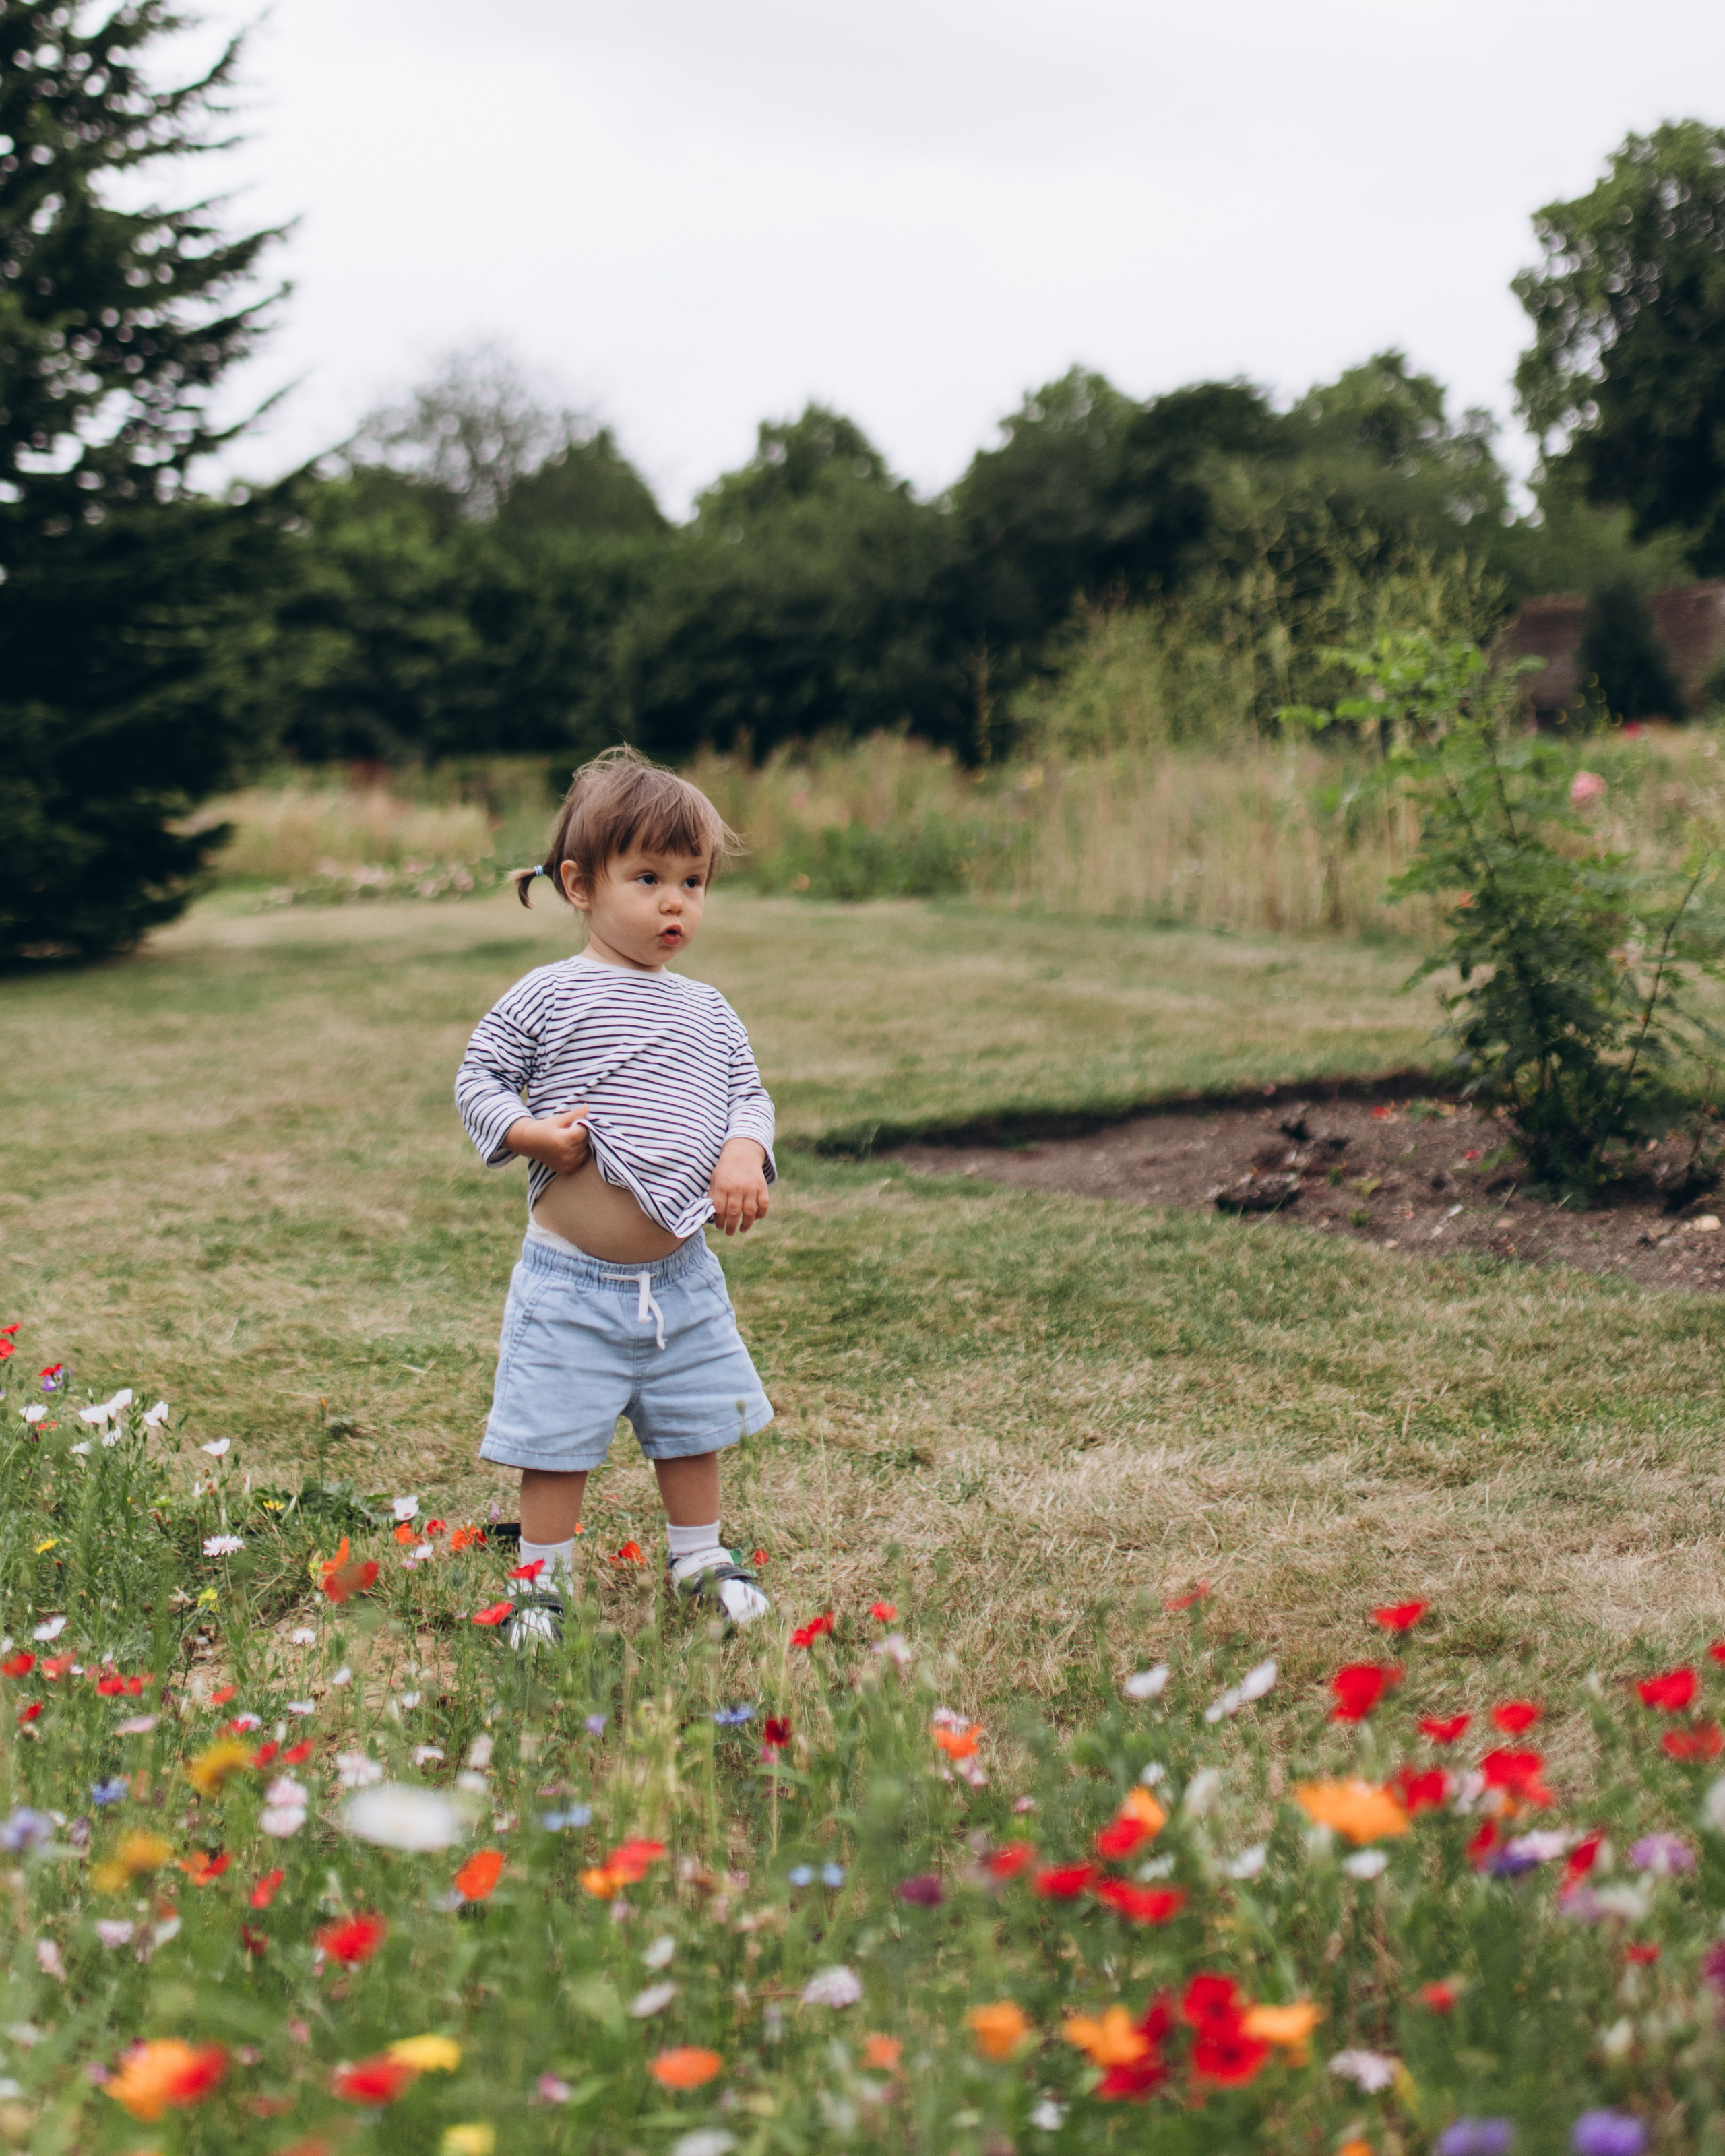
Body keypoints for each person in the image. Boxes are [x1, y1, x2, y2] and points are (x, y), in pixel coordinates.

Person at [454, 747, 776, 1644]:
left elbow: (748, 1096)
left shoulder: (708, 1010)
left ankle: (699, 1555)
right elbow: (480, 1077)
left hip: (682, 1277)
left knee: (693, 1421)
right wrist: (529, 1134)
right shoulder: (550, 994)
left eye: (692, 882)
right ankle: (542, 1581)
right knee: (554, 1436)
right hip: (571, 1282)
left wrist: (743, 1154)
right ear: (579, 884)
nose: (676, 902)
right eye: (648, 879)